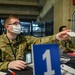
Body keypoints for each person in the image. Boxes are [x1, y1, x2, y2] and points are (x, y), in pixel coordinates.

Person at [0, 15, 70, 71]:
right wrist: (8, 64)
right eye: (15, 23)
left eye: (19, 23)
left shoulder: (24, 39)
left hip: (22, 70)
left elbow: (40, 41)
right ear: (7, 27)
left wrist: (57, 37)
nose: (19, 26)